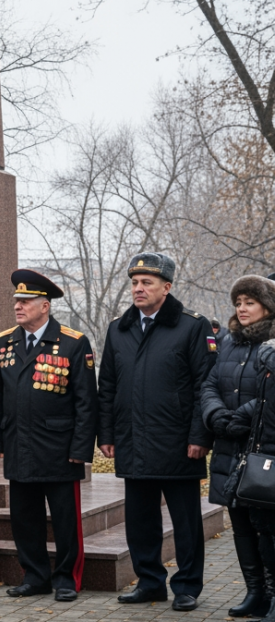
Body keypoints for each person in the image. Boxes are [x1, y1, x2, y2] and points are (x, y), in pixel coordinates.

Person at [97, 253, 214, 611]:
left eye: (147, 282)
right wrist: (107, 434)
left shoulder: (193, 326)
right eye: (134, 282)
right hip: (133, 441)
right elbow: (108, 387)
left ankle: (187, 587)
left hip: (179, 443)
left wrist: (199, 436)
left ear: (167, 287)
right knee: (140, 521)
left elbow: (204, 386)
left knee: (186, 523)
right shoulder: (119, 328)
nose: (138, 288)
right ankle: (149, 583)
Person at [0, 269, 96, 602]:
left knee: (65, 521)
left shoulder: (74, 343)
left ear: (44, 306)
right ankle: (34, 576)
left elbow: (86, 401)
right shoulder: (4, 342)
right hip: (18, 445)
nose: (18, 306)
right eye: (16, 301)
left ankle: (66, 579)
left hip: (60, 449)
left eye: (26, 301)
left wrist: (81, 448)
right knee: (24, 519)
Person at [201, 275, 275, 618]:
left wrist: (240, 418)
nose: (242, 309)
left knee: (264, 526)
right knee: (240, 525)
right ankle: (254, 591)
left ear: (267, 306)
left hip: (261, 448)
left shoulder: (272, 342)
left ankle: (271, 593)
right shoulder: (226, 341)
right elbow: (210, 383)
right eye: (238, 303)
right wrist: (216, 415)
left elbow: (269, 396)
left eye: (249, 303)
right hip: (229, 446)